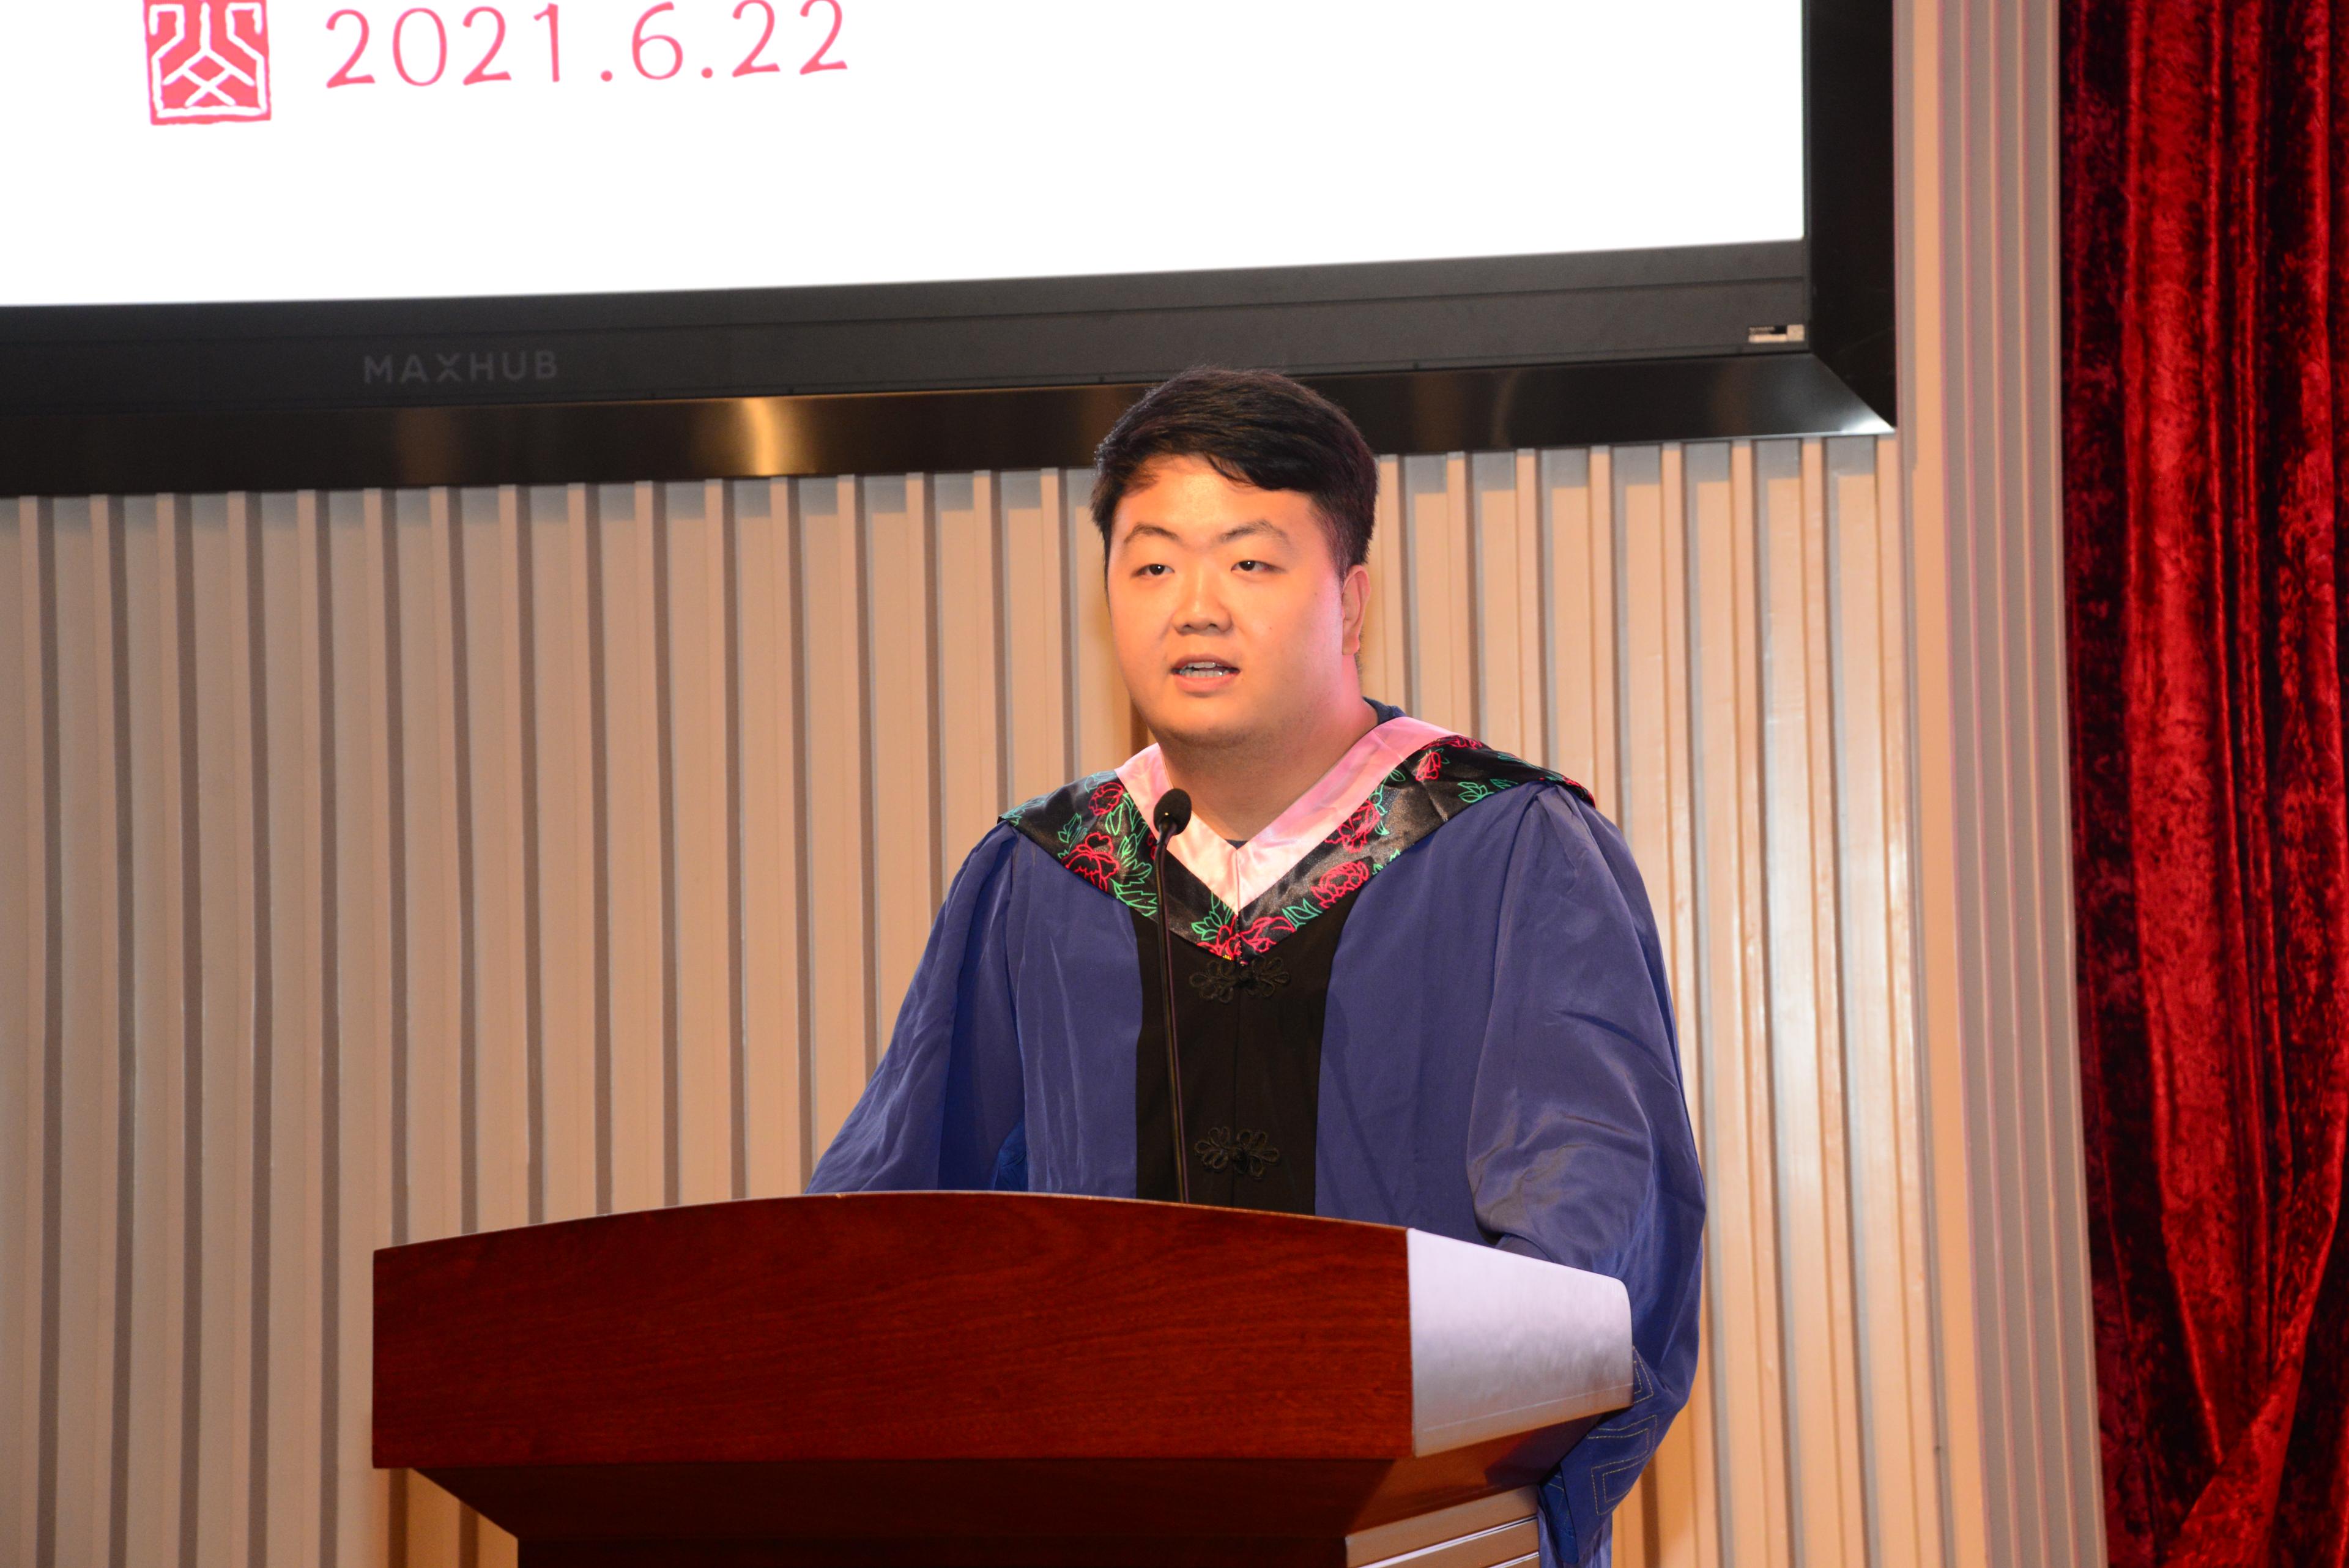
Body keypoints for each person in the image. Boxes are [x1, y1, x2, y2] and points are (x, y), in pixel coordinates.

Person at [809, 367, 1703, 1567]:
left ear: (1351, 600)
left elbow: (1596, 1240)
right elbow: (889, 1240)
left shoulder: (1510, 849)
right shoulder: (1044, 876)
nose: (1196, 608)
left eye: (1249, 561)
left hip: (1411, 1534)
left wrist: (1421, 1455)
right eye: (1151, 565)